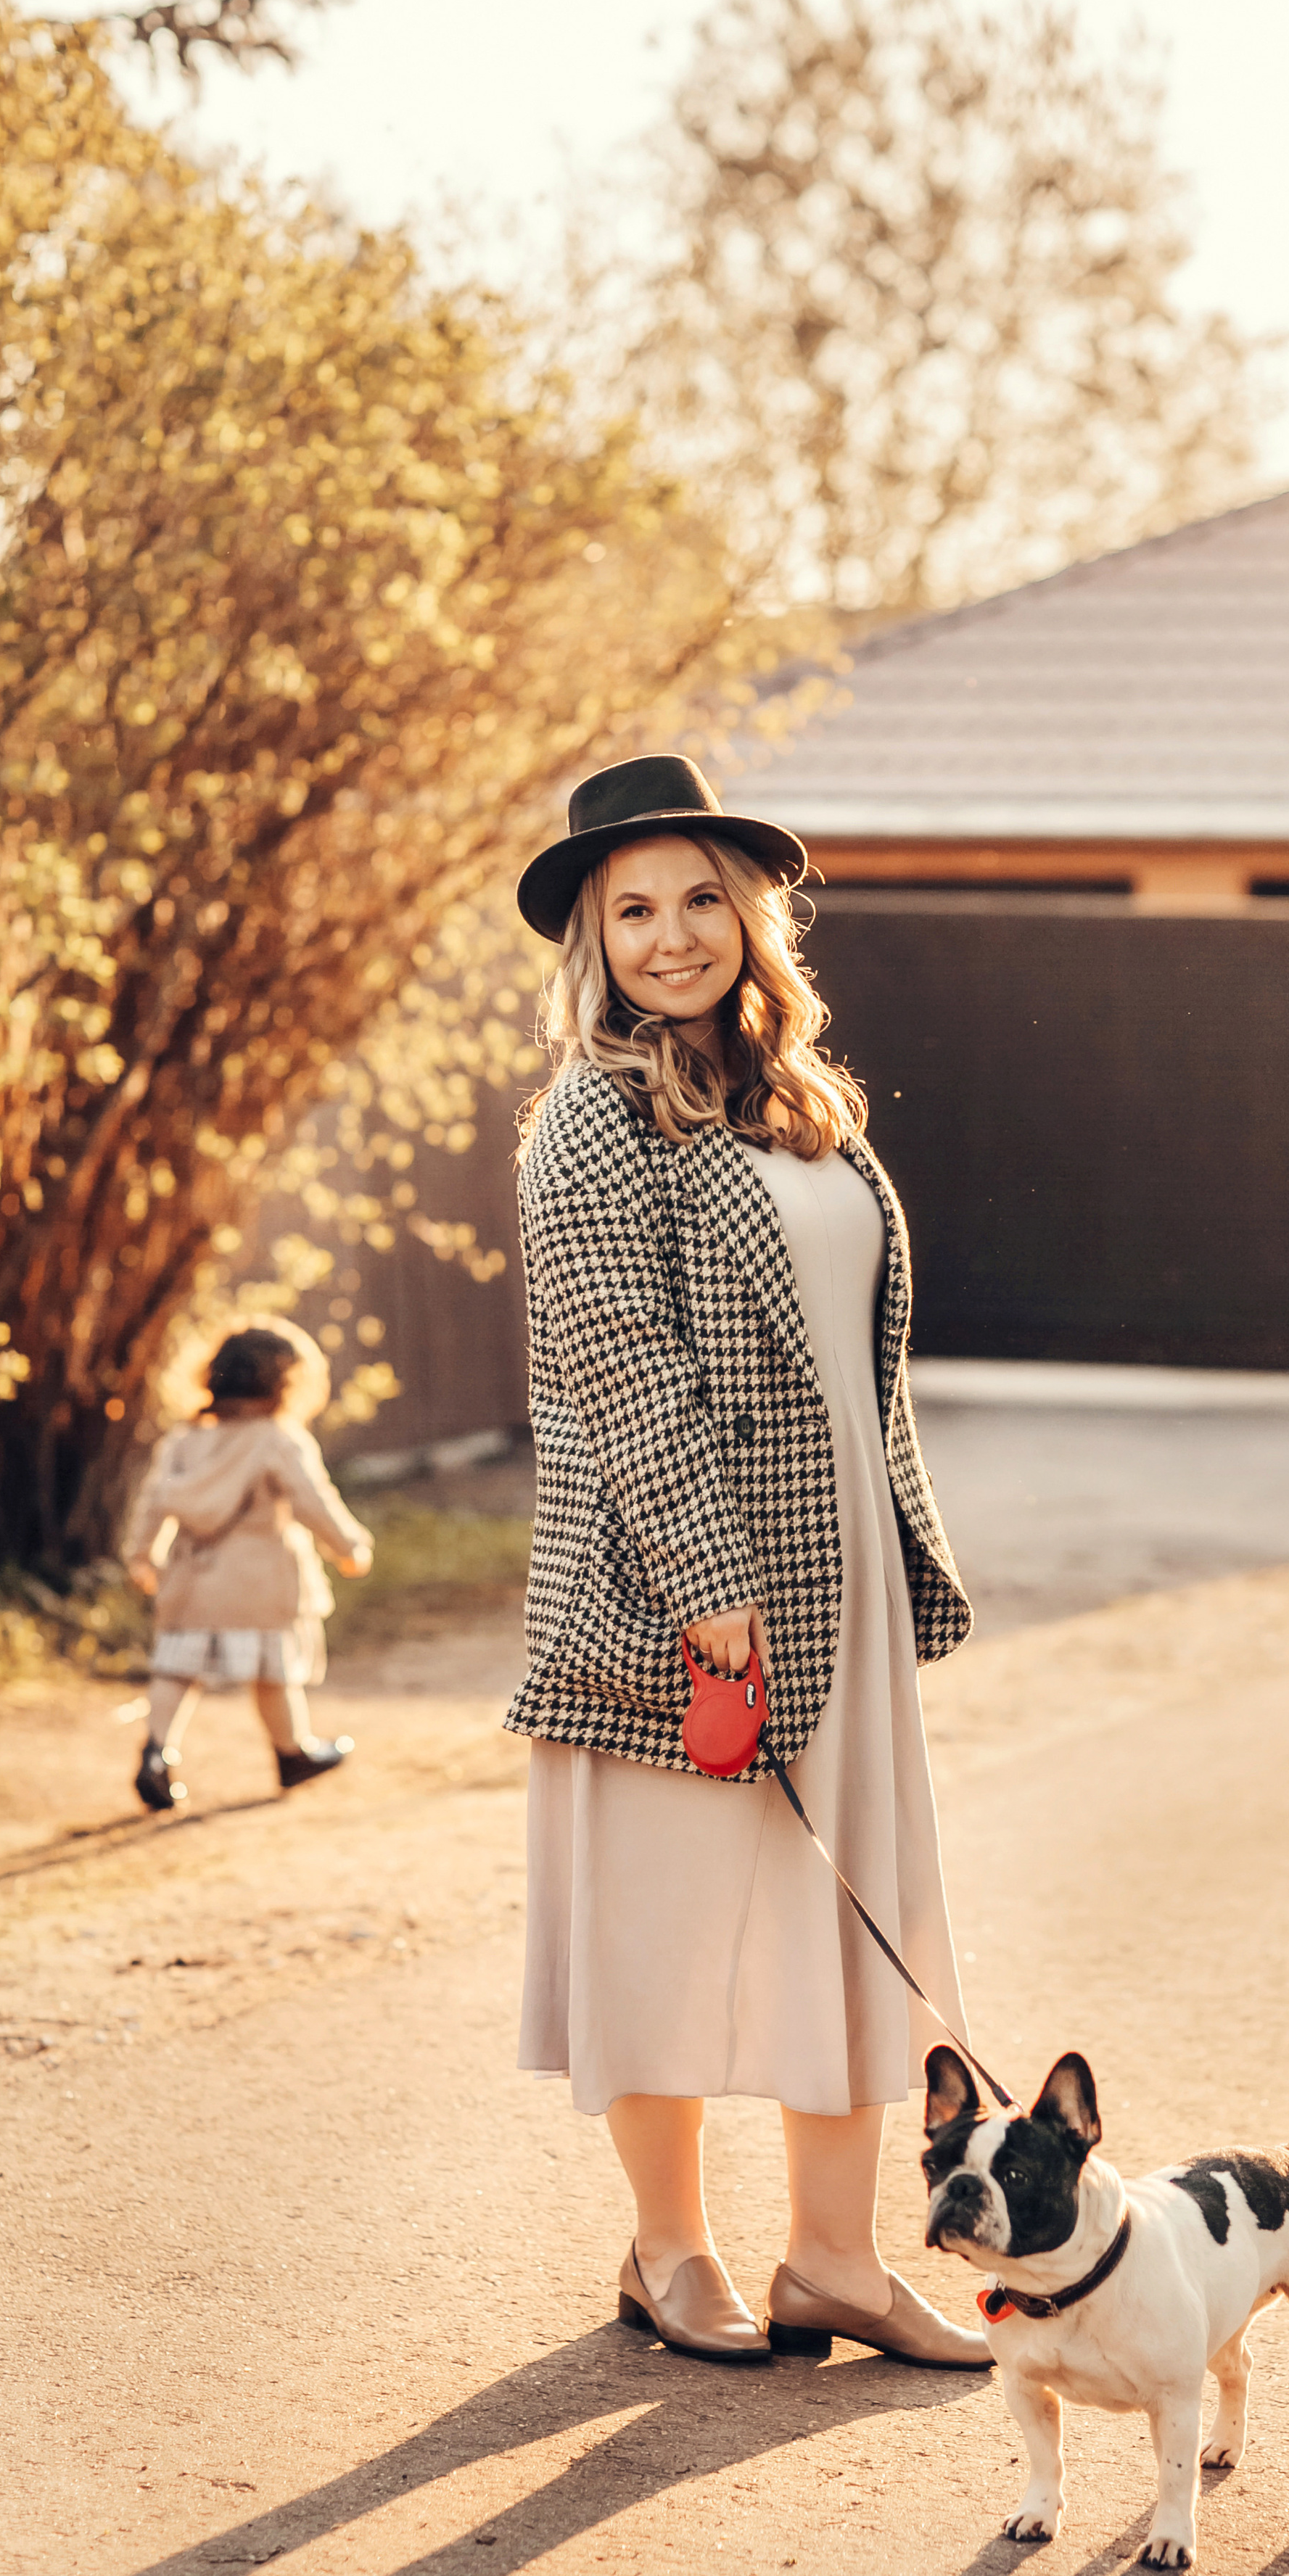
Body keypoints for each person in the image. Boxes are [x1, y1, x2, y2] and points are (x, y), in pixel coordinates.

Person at [508, 753, 989, 2369]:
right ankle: (667, 2249)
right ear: (592, 939)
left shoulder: (804, 1103)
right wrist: (716, 1601)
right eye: (629, 908)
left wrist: (877, 1553)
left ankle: (835, 2262)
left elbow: (856, 1351)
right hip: (674, 1589)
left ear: (751, 912)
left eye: (698, 897)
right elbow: (622, 1375)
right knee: (665, 1912)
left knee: (838, 1902)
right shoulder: (590, 1122)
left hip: (835, 1570)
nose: (668, 935)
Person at [120, 1319, 374, 1812]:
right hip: (260, 1584)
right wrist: (349, 1547)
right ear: (285, 1384)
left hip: (192, 1577)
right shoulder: (278, 1439)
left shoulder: (185, 1440)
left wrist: (141, 1554)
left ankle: (156, 1753)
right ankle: (292, 1751)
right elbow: (311, 1501)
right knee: (273, 1674)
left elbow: (153, 1500)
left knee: (176, 1670)